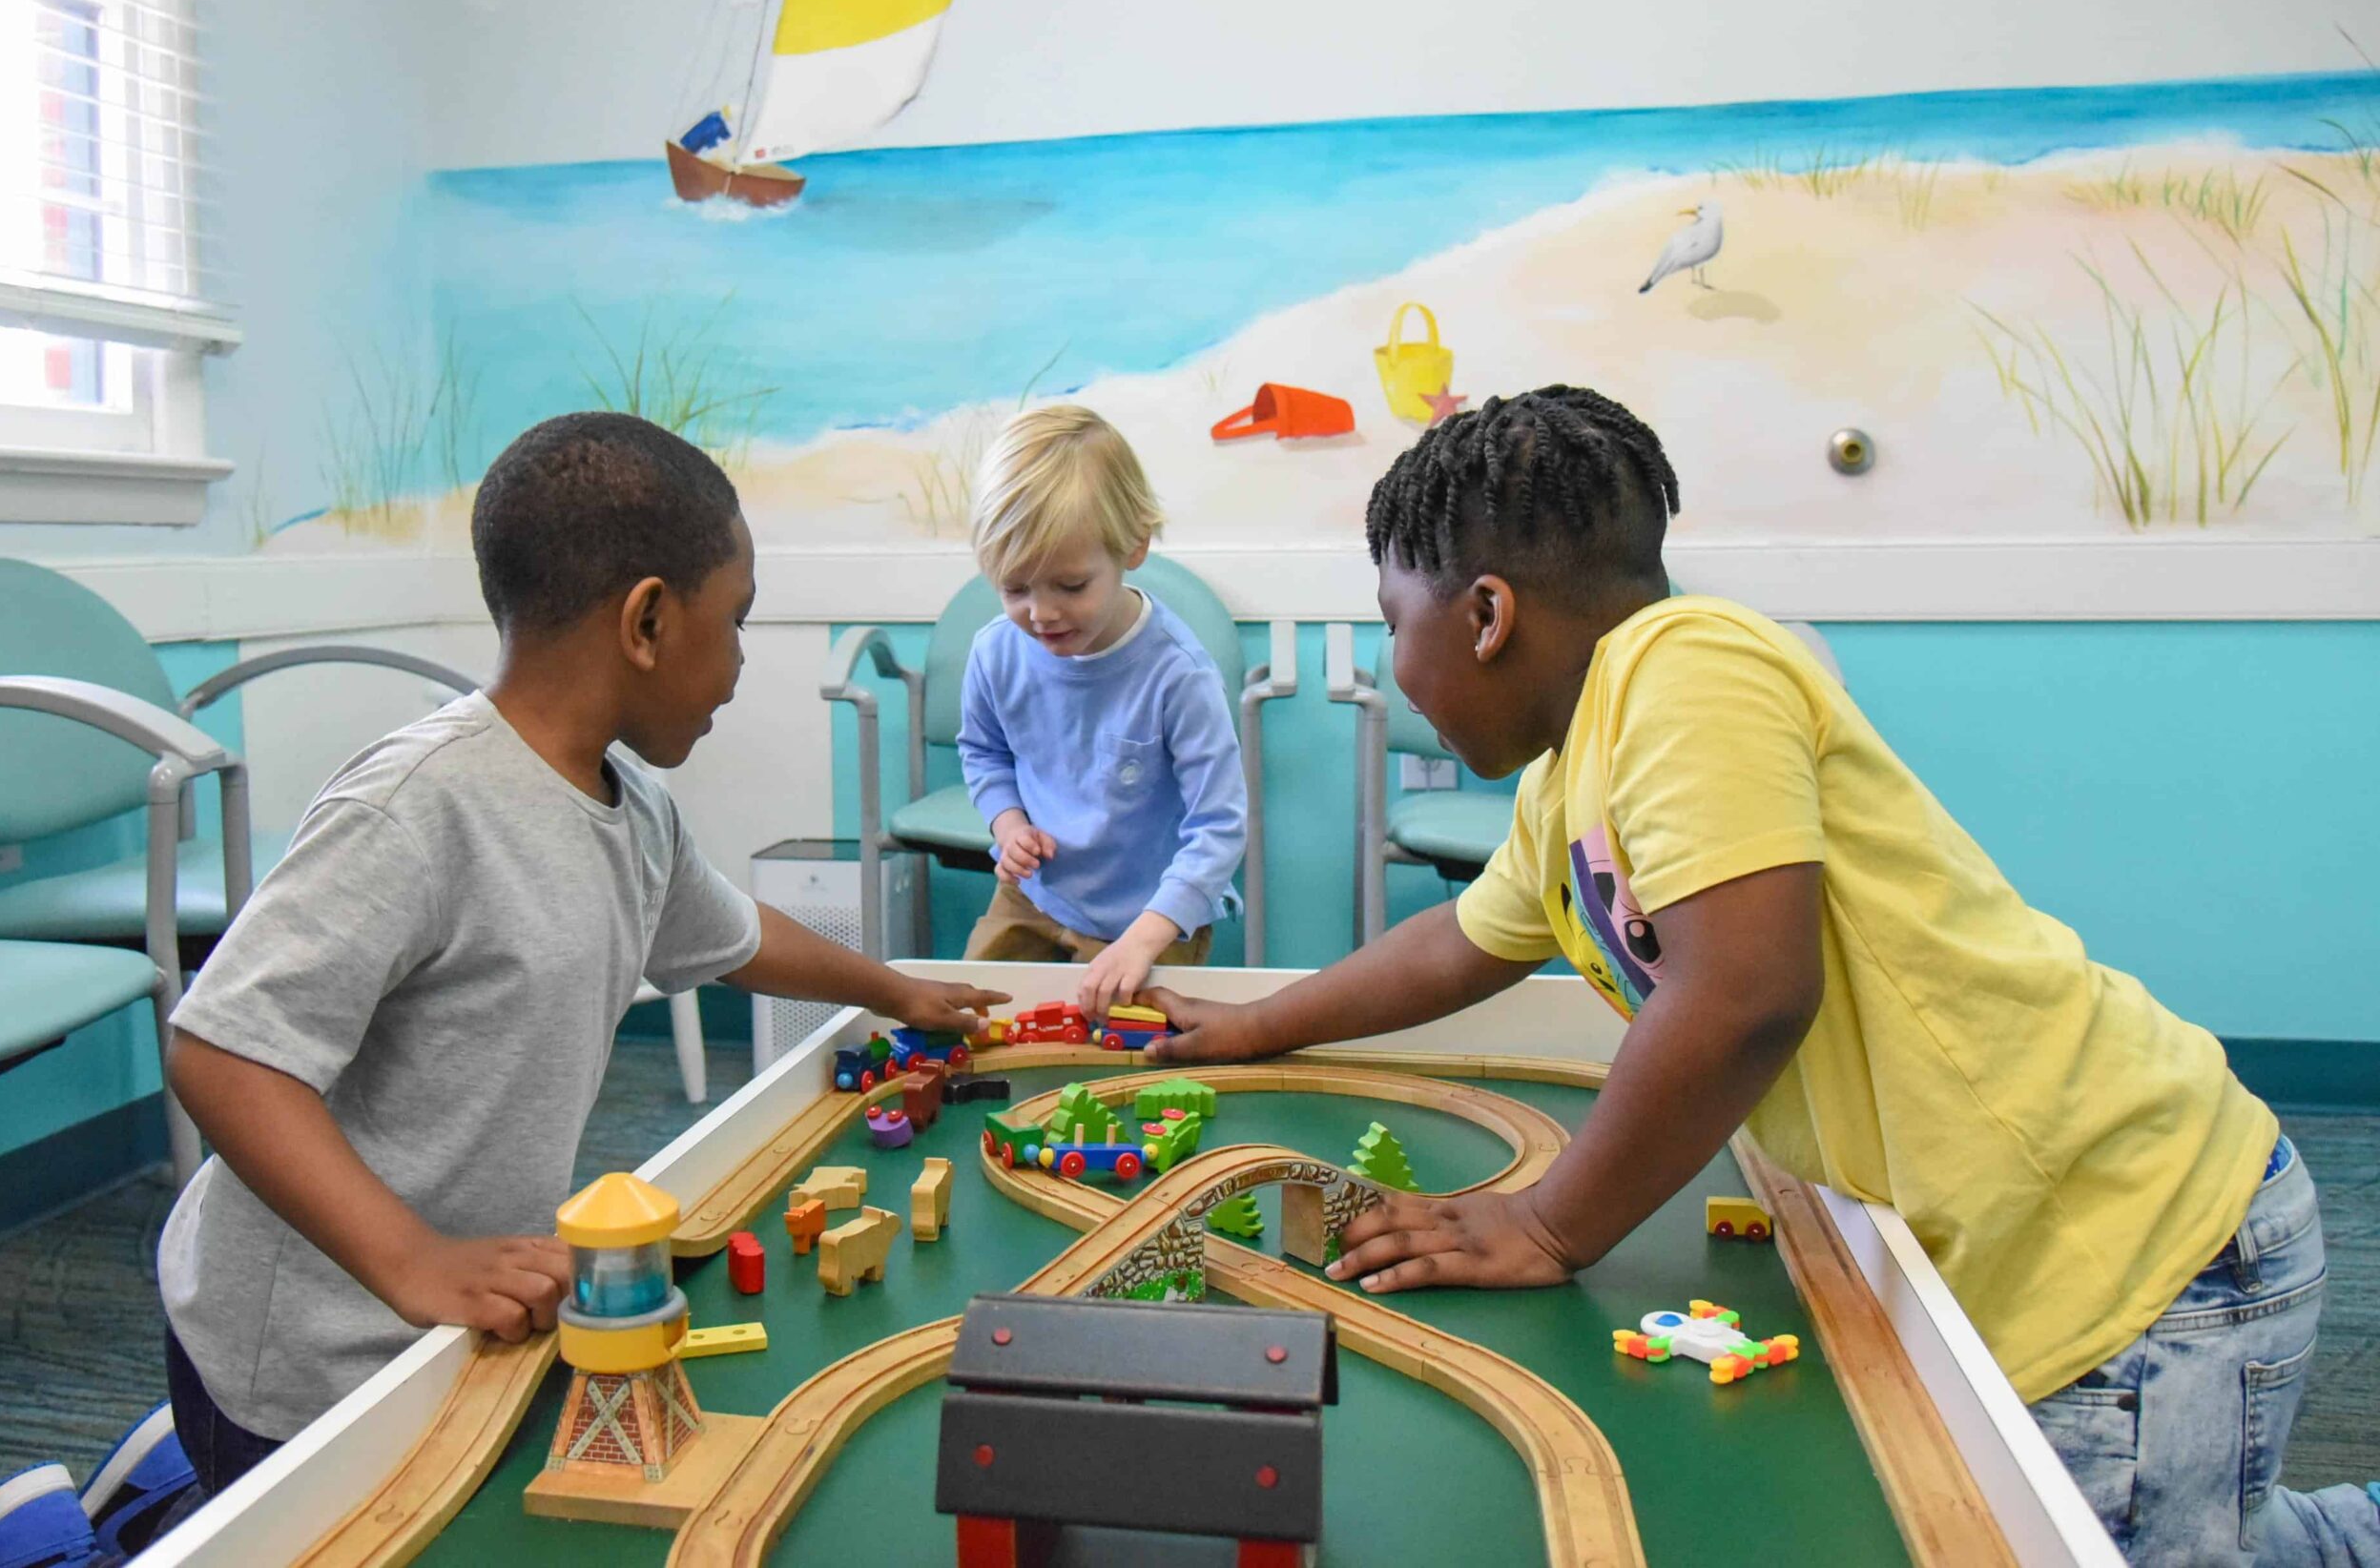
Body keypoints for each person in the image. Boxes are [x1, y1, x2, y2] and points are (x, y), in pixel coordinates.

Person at [1144, 386, 2379, 1564]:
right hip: (2020, 1253)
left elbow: (1745, 993)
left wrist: (1548, 1217)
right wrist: (1260, 1023)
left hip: (2127, 1246)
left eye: (1389, 620)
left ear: (1484, 614)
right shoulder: (1567, 777)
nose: (1392, 660)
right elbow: (1462, 940)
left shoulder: (1686, 667)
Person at [157, 412, 1004, 1493]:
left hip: (448, 1319)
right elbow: (223, 1055)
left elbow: (736, 936)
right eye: (736, 622)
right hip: (293, 1358)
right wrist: (416, 1260)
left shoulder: (632, 807)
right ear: (648, 619)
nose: (741, 664)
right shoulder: (417, 806)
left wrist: (897, 989)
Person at [958, 404, 1246, 1020]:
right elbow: (984, 753)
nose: (1041, 614)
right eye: (1014, 588)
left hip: (1152, 919)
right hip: (1033, 899)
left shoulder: (1179, 675)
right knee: (980, 1027)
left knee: (1138, 1072)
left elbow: (1219, 826)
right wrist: (1007, 825)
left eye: (1069, 586)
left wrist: (1144, 940)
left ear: (1133, 545)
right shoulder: (995, 652)